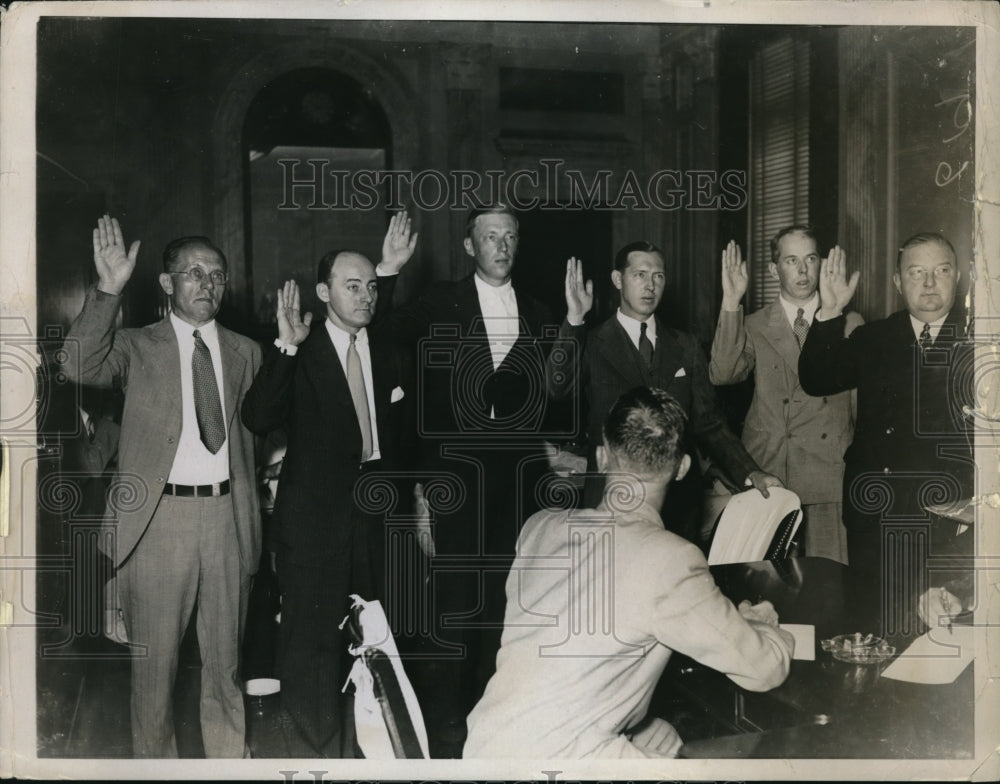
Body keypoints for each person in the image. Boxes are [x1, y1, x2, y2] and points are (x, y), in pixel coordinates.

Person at [463, 386, 794, 759]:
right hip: (563, 764)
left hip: (486, 751)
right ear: (682, 468)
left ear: (602, 457)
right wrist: (765, 627)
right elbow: (765, 670)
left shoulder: (539, 528)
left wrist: (637, 726)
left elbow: (565, 662)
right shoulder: (671, 560)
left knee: (665, 740)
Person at [62, 215, 262, 757]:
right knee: (154, 677)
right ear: (167, 283)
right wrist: (108, 289)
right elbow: (76, 363)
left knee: (226, 669)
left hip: (228, 521)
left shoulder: (247, 353)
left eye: (217, 275)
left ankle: (228, 764)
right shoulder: (135, 346)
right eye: (194, 273)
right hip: (157, 523)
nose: (208, 283)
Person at [373, 205, 569, 753]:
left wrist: (573, 325)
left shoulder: (540, 311)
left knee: (506, 606)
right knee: (453, 610)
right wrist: (388, 271)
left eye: (509, 237)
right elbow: (381, 334)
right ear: (469, 246)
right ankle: (444, 736)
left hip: (517, 485)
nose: (501, 246)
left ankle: (494, 726)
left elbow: (557, 392)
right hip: (453, 480)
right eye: (490, 237)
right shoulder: (441, 301)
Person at [241, 214, 418, 756]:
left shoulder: (384, 346)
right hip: (314, 528)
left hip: (378, 523)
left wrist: (389, 270)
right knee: (312, 655)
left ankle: (371, 756)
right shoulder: (303, 347)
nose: (365, 297)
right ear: (323, 293)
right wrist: (286, 347)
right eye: (352, 286)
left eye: (371, 287)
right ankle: (314, 760)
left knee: (380, 644)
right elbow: (257, 417)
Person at [798, 232, 975, 634]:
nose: (929, 284)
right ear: (897, 281)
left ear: (957, 277)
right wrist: (830, 311)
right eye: (916, 273)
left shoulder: (979, 343)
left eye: (941, 271)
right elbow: (816, 378)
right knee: (871, 626)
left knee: (930, 633)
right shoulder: (875, 338)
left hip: (945, 521)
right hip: (874, 516)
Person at [547, 241, 782, 543]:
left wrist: (751, 473)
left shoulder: (686, 346)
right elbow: (557, 388)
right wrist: (574, 318)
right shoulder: (591, 342)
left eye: (658, 276)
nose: (650, 286)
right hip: (610, 501)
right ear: (618, 279)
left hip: (676, 507)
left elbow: (710, 424)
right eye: (640, 275)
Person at [709, 228, 864, 564]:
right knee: (766, 581)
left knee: (829, 578)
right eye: (791, 261)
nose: (803, 270)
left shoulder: (850, 323)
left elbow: (858, 407)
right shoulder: (753, 324)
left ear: (822, 264)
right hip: (770, 471)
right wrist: (731, 302)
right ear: (773, 269)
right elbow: (723, 373)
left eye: (811, 259)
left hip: (828, 474)